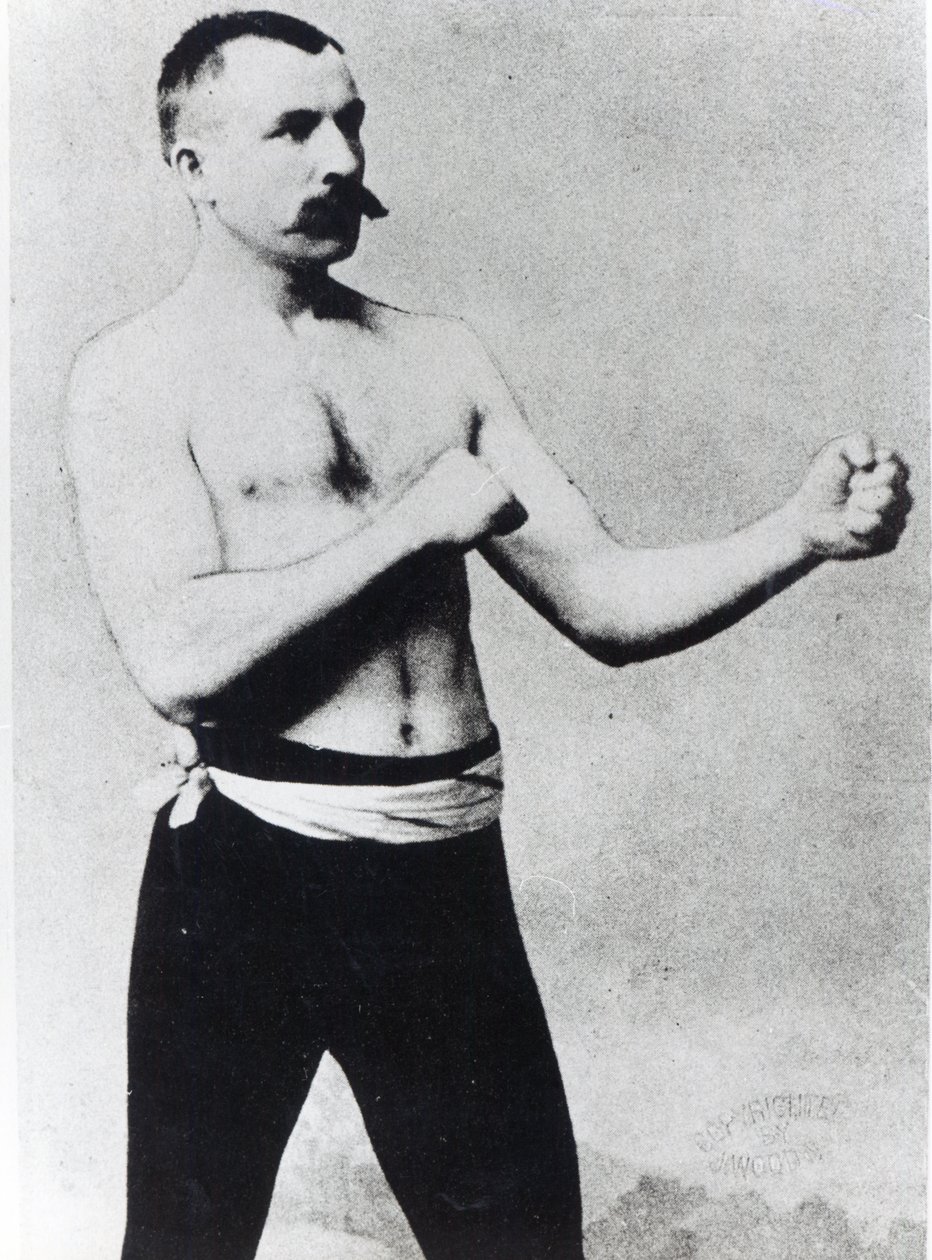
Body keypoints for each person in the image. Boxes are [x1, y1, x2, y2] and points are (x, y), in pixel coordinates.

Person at [64, 10, 911, 1260]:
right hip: (248, 869)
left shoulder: (438, 358)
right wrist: (412, 528)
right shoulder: (134, 374)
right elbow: (178, 662)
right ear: (192, 164)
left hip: (440, 868)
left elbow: (605, 606)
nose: (340, 160)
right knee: (186, 1246)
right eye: (293, 130)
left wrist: (798, 534)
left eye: (349, 122)